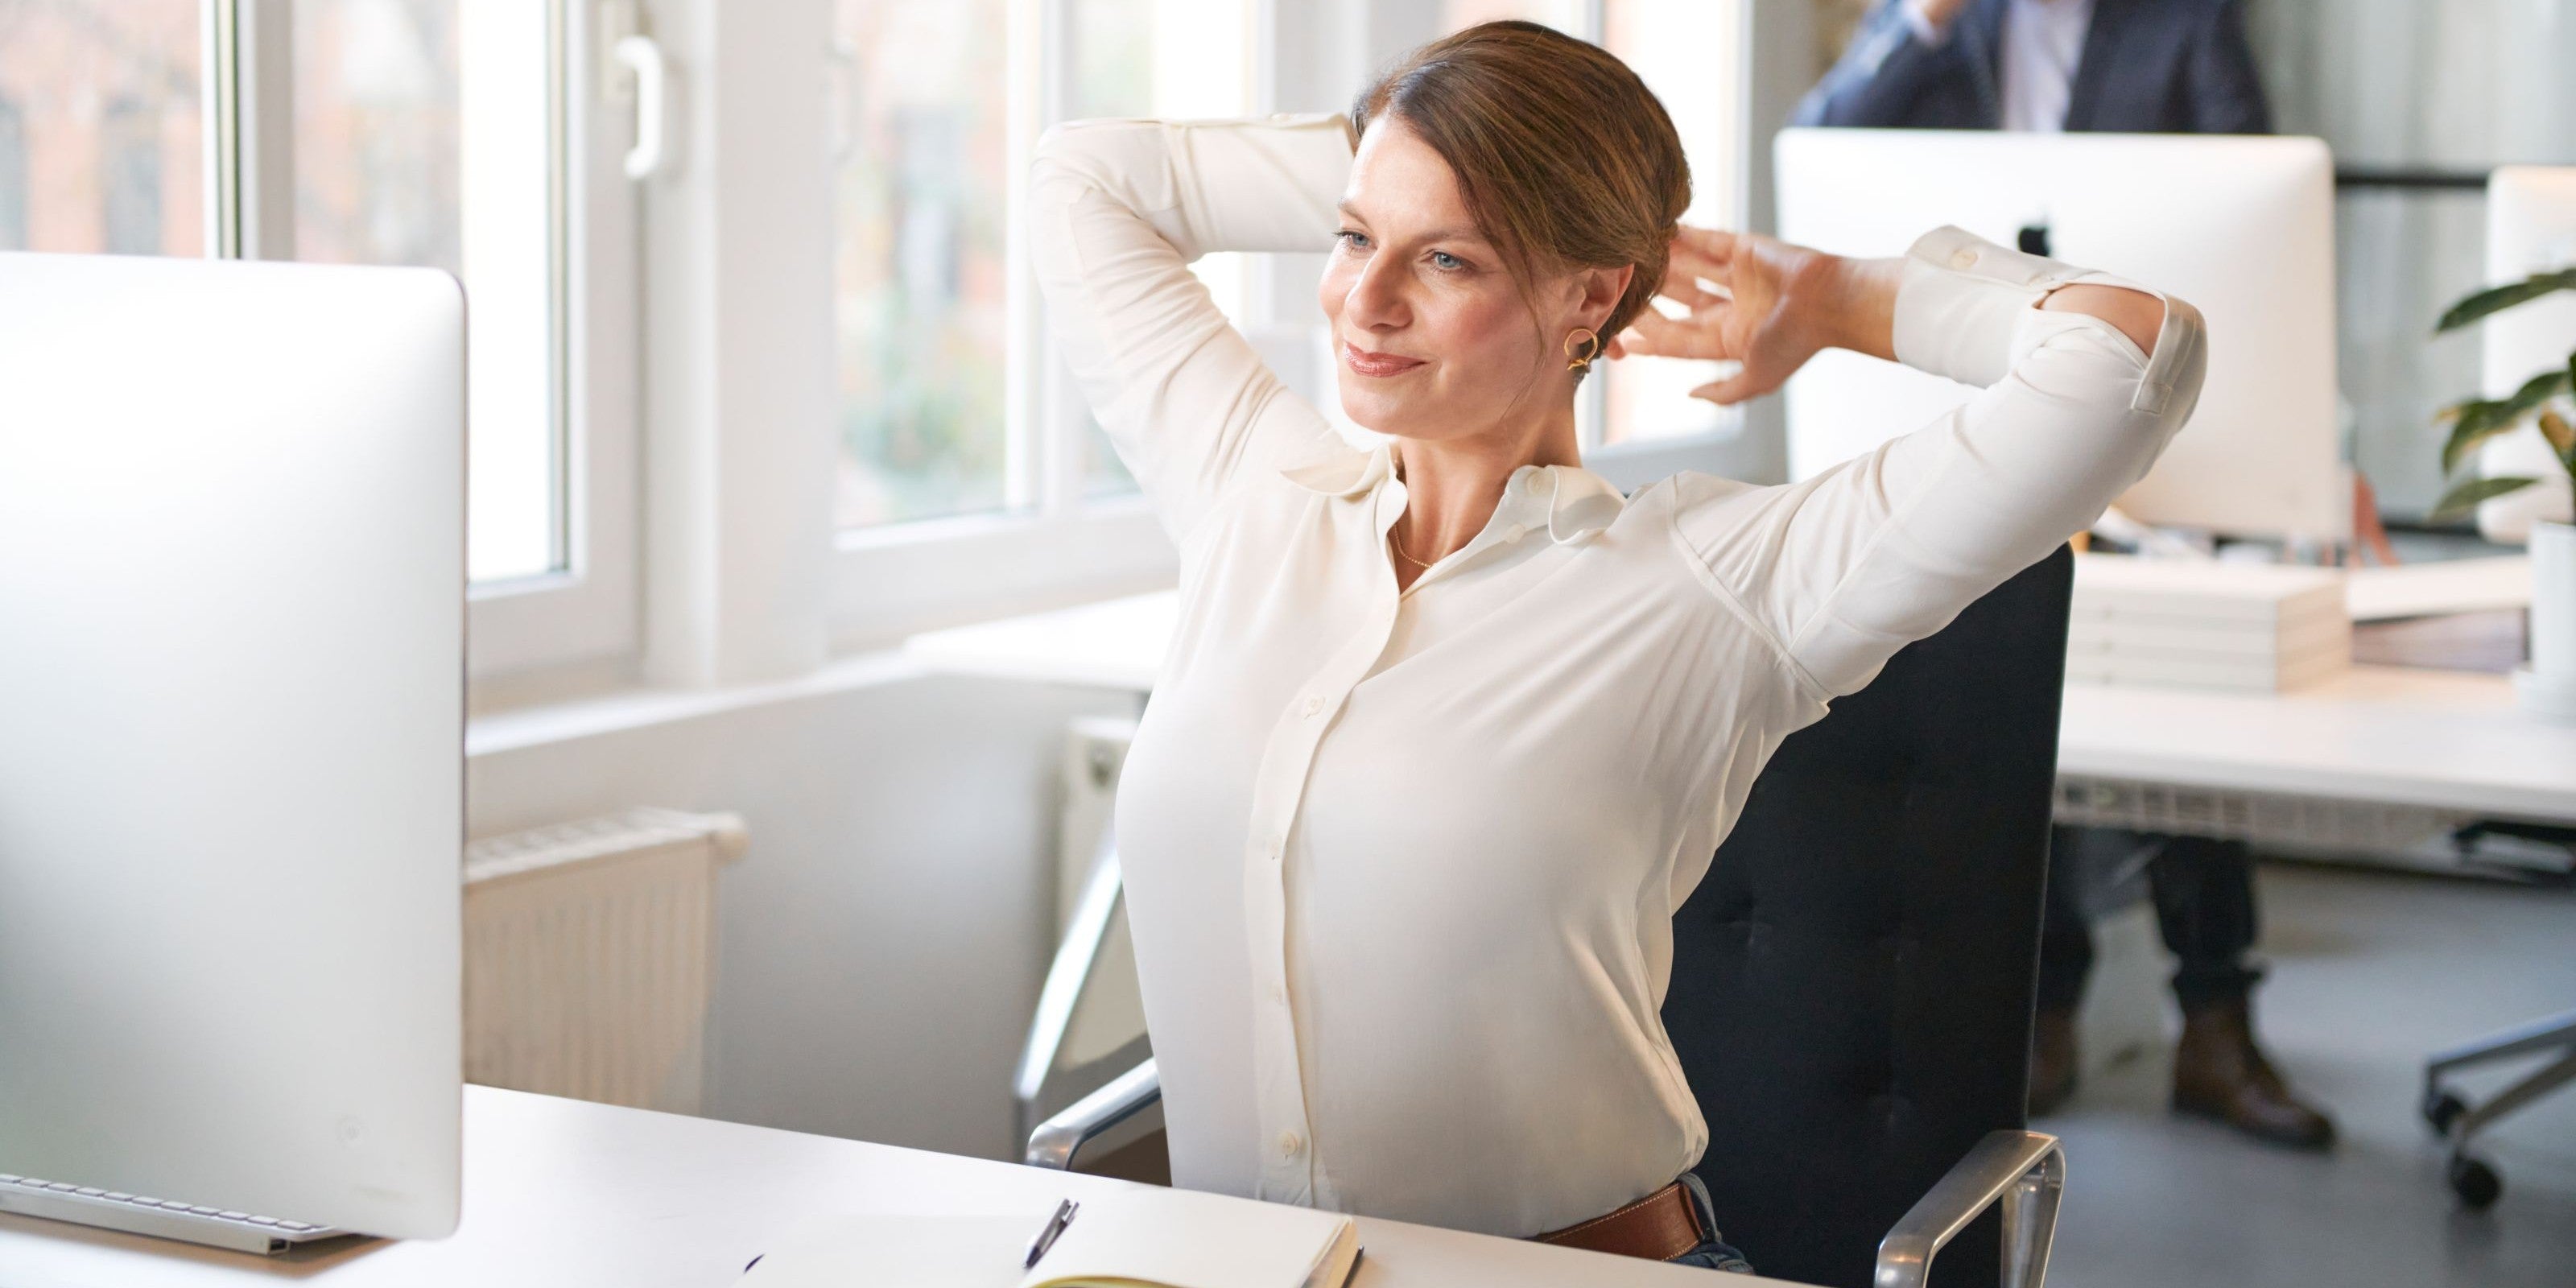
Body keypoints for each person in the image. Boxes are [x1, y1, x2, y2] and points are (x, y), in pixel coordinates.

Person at [1029, 19, 2199, 1269]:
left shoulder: (1713, 584)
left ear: (1590, 293)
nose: (1362, 302)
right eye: (1355, 236)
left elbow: (2128, 359)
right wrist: (1429, 145)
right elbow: (1081, 180)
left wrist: (1839, 298)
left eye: (1449, 262)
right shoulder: (1253, 491)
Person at [1797, 0, 2334, 1152]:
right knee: (2012, 723)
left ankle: (2217, 1024)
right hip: (1974, 428)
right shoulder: (1932, 31)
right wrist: (1922, 20)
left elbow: (2266, 235)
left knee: (2186, 739)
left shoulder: (2186, 26)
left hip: (2156, 423)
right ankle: (2040, 1017)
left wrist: (2310, 429)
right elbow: (1822, 151)